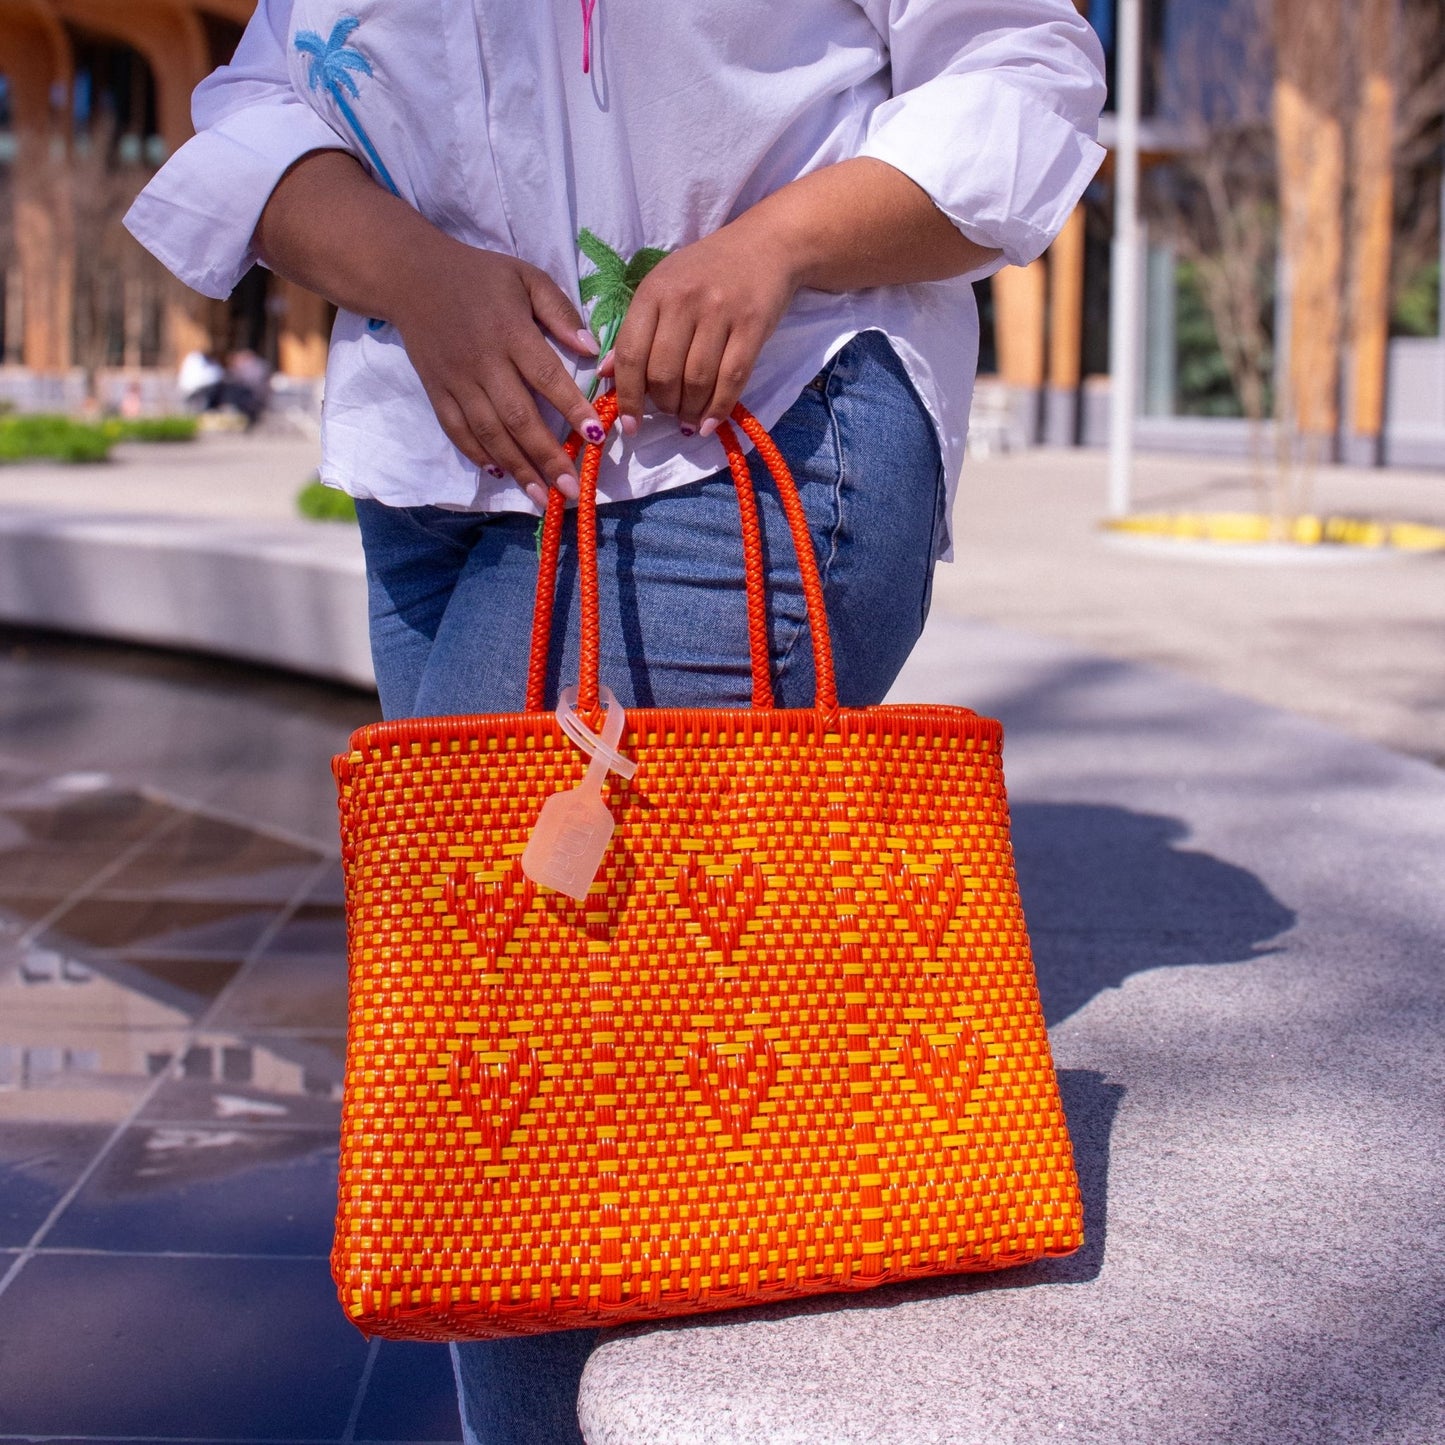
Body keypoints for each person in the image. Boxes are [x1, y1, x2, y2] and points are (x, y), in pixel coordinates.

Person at [126, 2, 1105, 1439]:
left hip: (753, 423)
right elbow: (265, 105)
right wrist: (417, 272)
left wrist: (772, 243)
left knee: (512, 1056)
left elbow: (1020, 68)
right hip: (436, 460)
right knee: (510, 1047)